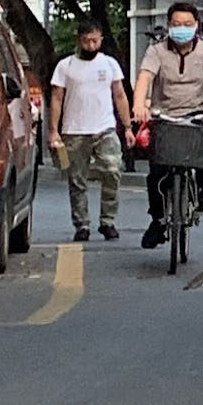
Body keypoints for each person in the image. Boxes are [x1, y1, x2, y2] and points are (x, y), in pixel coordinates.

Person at [132, 5, 203, 249]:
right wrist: (139, 105)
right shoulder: (156, 51)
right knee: (156, 173)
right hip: (165, 116)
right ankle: (157, 220)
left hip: (198, 114)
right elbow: (144, 78)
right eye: (176, 24)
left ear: (196, 25)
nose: (182, 29)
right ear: (169, 25)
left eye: (187, 24)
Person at [46, 17, 132, 243]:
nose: (91, 45)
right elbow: (56, 99)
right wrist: (53, 131)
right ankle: (81, 224)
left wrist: (128, 127)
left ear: (101, 39)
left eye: (95, 41)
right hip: (74, 130)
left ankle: (108, 221)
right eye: (86, 41)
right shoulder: (65, 66)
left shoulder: (109, 64)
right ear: (79, 40)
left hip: (105, 128)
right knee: (77, 180)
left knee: (112, 170)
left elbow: (119, 95)